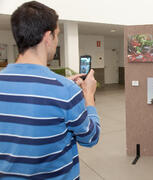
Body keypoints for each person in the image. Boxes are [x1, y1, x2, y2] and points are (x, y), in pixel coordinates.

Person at [0, 1, 100, 179]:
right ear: (48, 37)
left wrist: (60, 84)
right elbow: (90, 137)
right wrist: (89, 97)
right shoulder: (65, 90)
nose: (57, 40)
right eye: (57, 35)